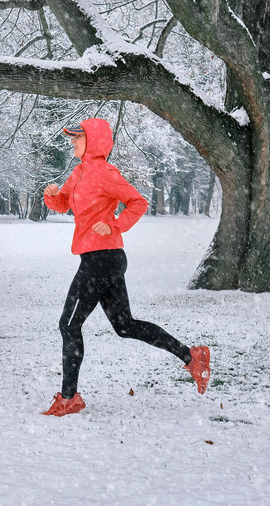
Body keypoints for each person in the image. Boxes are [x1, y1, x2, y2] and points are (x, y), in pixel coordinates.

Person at [41, 118, 210, 416]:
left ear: (92, 141)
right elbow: (64, 203)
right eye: (71, 138)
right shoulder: (79, 172)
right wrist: (52, 195)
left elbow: (138, 203)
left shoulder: (105, 173)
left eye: (77, 138)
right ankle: (191, 356)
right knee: (124, 326)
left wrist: (115, 224)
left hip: (101, 259)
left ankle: (69, 398)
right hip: (102, 259)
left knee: (68, 325)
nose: (72, 142)